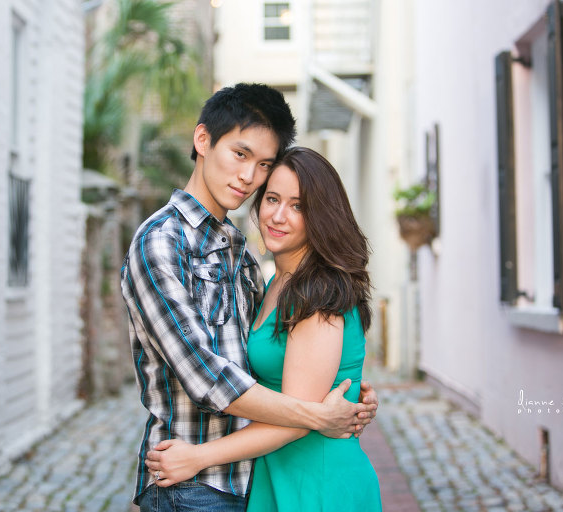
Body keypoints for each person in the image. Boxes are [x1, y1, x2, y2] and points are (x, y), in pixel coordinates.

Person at [120, 84, 378, 512]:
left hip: (249, 476)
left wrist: (348, 398)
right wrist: (320, 414)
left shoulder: (240, 252)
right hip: (193, 481)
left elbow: (266, 363)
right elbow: (205, 376)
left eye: (262, 165)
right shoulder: (161, 243)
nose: (248, 177)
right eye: (240, 155)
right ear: (202, 141)